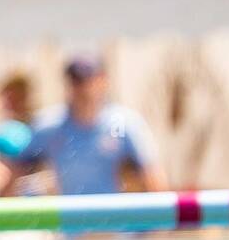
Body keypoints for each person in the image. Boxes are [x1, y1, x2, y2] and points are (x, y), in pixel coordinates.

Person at [14, 56, 166, 195]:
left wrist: (159, 219)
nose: (82, 88)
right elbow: (14, 168)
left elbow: (152, 174)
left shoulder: (125, 124)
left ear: (103, 80)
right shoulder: (49, 125)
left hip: (115, 220)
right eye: (75, 81)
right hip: (67, 219)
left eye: (87, 80)